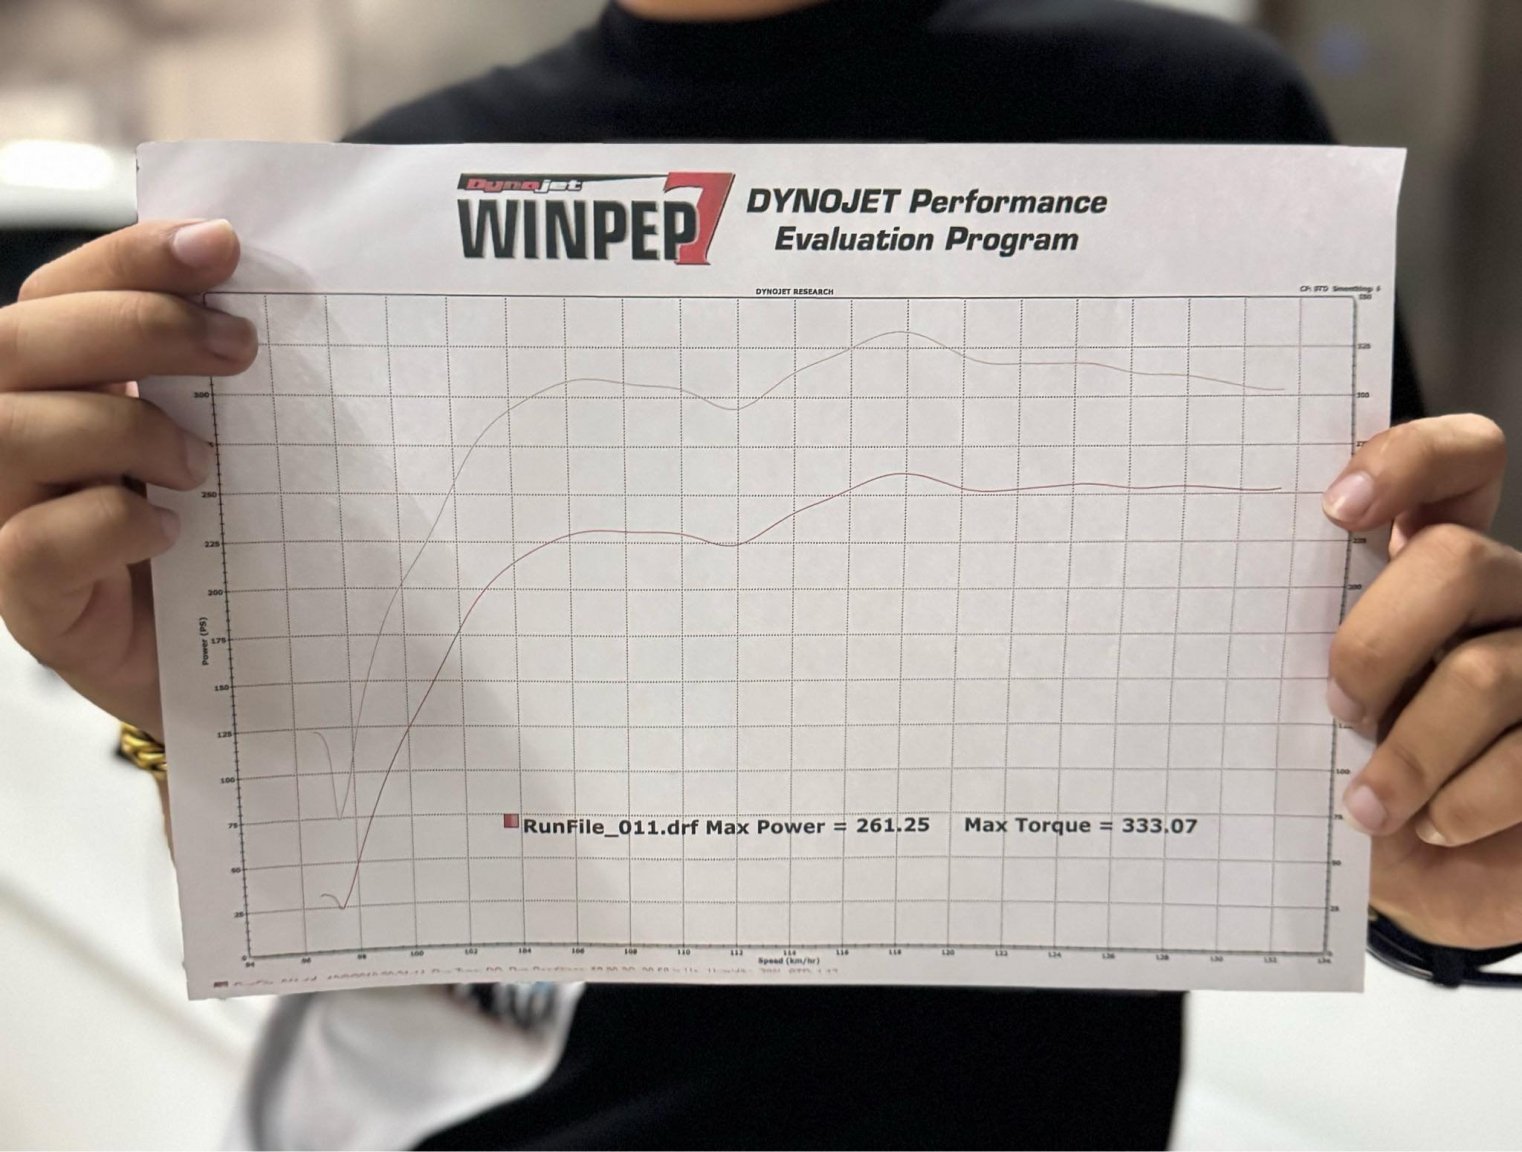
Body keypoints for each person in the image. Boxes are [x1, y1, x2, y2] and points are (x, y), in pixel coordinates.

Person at [1, 0, 1517, 1147]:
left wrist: (1449, 847)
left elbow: (1375, 758)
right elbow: (339, 902)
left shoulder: (1196, 129)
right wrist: (180, 708)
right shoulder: (364, 210)